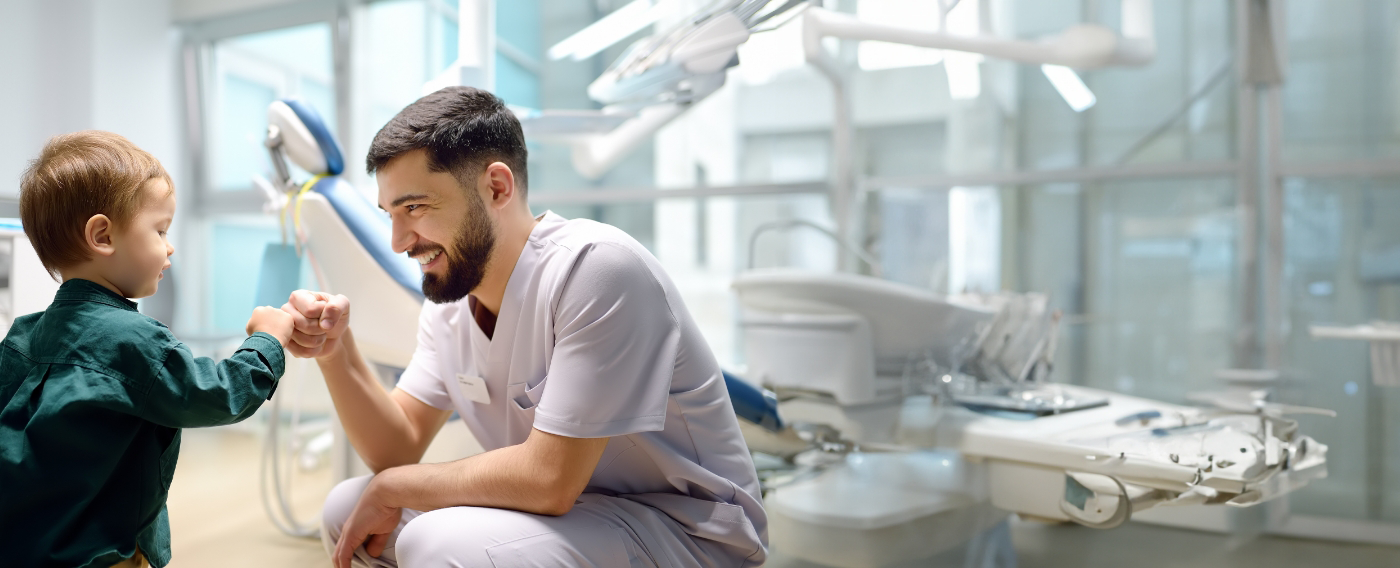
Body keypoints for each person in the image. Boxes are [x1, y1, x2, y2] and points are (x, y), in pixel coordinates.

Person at [285, 86, 767, 567]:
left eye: (415, 208)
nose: (397, 242)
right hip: (577, 516)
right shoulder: (450, 308)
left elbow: (549, 480)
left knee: (434, 541)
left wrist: (397, 486)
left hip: (687, 530)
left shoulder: (597, 269)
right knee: (346, 510)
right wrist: (334, 351)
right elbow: (397, 445)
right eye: (390, 215)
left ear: (497, 187)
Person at [0, 131, 296, 568]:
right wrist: (267, 340)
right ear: (102, 235)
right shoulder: (134, 340)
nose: (169, 245)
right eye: (160, 230)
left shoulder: (23, 336)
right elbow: (218, 394)